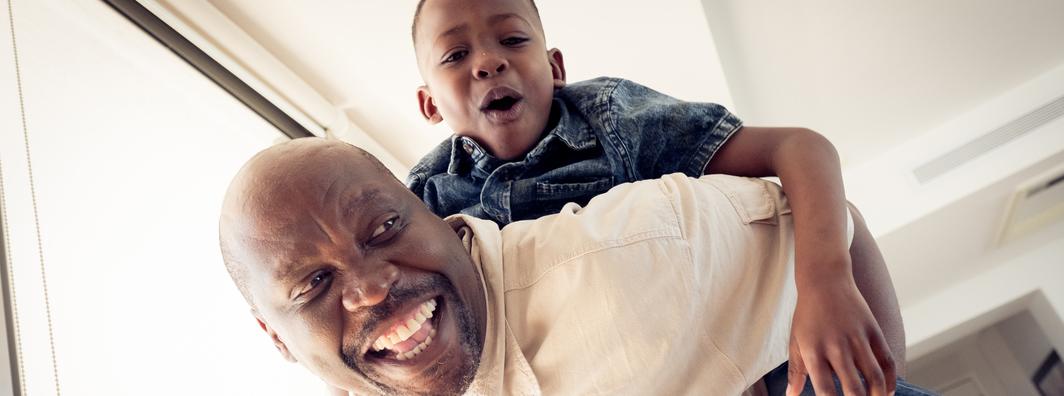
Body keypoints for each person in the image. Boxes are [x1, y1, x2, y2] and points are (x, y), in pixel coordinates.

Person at [407, 0, 901, 393]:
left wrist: (826, 284)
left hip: (722, 355)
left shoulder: (608, 117)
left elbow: (799, 147)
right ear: (429, 102)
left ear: (555, 66)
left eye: (513, 40)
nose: (490, 62)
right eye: (455, 56)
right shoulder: (425, 194)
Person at [218, 139, 930, 395]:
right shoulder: (358, 375)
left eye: (383, 228)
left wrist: (879, 370)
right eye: (313, 284)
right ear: (277, 340)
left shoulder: (643, 251)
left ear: (433, 210)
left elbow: (833, 216)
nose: (372, 285)